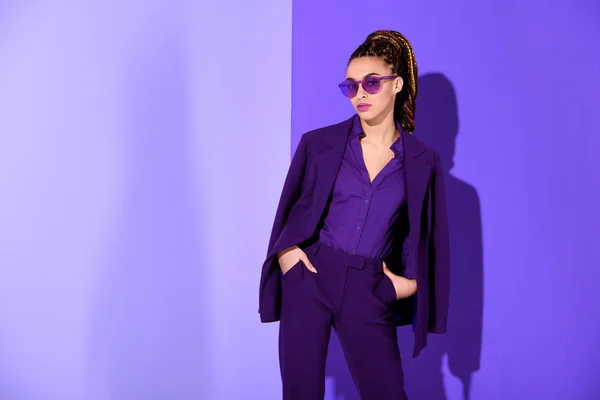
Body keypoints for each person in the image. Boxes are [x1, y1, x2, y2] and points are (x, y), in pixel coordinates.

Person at [258, 30, 450, 400]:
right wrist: (287, 255)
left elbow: (420, 232)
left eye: (372, 83)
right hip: (310, 276)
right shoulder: (319, 143)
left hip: (369, 284)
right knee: (300, 393)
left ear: (396, 85)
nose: (360, 94)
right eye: (351, 86)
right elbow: (291, 207)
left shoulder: (423, 160)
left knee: (387, 393)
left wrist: (410, 283)